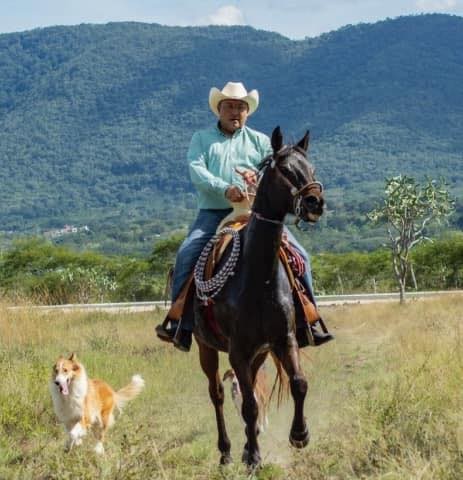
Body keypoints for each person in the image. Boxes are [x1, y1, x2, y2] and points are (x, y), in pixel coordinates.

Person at [155, 81, 333, 351]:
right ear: (219, 109)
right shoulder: (201, 139)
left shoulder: (260, 141)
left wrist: (256, 180)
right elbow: (197, 171)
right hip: (214, 212)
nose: (235, 112)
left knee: (300, 257)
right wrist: (225, 188)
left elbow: (274, 173)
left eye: (240, 107)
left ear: (247, 112)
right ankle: (180, 323)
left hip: (255, 214)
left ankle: (307, 321)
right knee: (187, 252)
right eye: (229, 106)